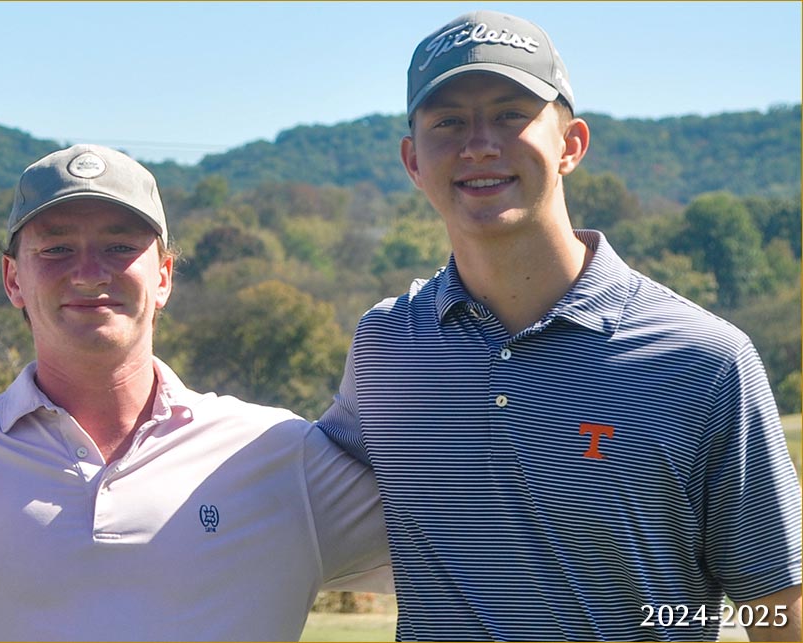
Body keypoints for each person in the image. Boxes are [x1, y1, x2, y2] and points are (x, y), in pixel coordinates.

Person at [0, 144, 389, 640]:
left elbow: (472, 530)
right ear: (12, 278)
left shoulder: (278, 455)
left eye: (119, 246)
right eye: (55, 249)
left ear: (163, 275)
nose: (89, 272)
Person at [316, 10, 802, 641]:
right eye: (448, 122)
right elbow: (283, 491)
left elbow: (777, 612)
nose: (479, 144)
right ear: (413, 160)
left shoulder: (706, 361)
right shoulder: (387, 346)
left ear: (571, 144)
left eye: (511, 115)